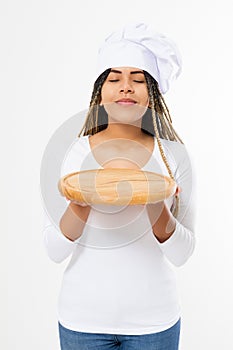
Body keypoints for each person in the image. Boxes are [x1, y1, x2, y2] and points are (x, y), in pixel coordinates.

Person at [43, 23, 196, 350]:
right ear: (99, 92)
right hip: (81, 320)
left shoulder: (173, 157)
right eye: (114, 79)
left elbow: (183, 253)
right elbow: (53, 250)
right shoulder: (74, 153)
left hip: (155, 323)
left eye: (138, 80)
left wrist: (155, 201)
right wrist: (81, 201)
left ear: (151, 92)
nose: (126, 87)